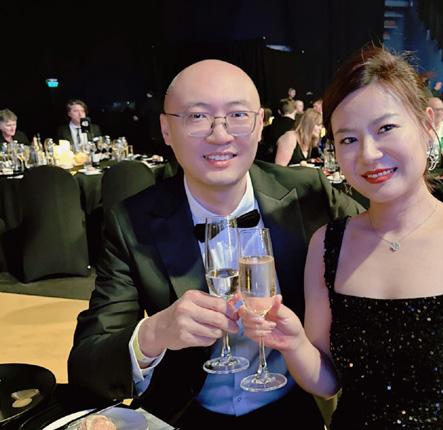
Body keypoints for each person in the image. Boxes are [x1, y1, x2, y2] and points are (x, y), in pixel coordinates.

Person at [241, 46, 443, 429]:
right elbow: (328, 383)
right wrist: (294, 342)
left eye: (385, 129)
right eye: (348, 139)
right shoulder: (328, 245)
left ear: (426, 125)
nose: (368, 154)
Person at [67, 59, 363, 429]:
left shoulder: (308, 195)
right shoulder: (132, 222)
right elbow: (87, 364)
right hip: (183, 413)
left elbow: (384, 236)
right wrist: (156, 332)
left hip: (293, 407)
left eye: (238, 115)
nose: (220, 135)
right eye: (197, 117)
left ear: (259, 124)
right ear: (166, 129)